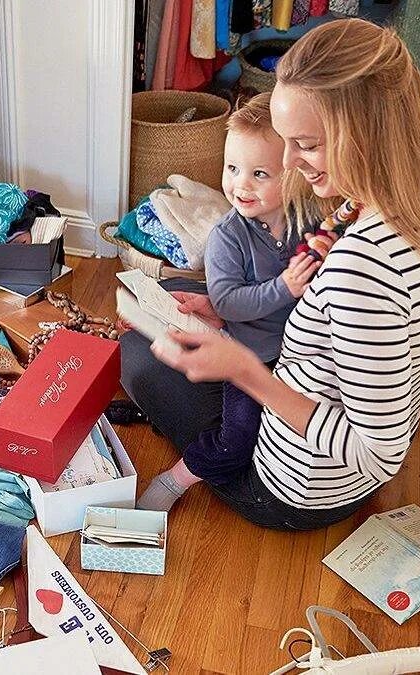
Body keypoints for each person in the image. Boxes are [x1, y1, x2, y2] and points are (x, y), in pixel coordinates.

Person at [120, 19, 420, 530]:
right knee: (176, 294)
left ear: (363, 134)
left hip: (293, 489)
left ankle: (185, 470)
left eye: (305, 144)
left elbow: (377, 454)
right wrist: (227, 314)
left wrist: (243, 370)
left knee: (136, 354)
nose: (288, 162)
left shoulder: (362, 270)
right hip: (326, 437)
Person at [135, 92, 324, 511]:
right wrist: (284, 288)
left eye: (260, 173)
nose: (240, 185)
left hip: (297, 355)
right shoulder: (227, 236)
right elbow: (230, 302)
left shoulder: (308, 221)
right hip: (247, 353)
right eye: (232, 168)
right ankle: (176, 479)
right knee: (236, 436)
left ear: (294, 173)